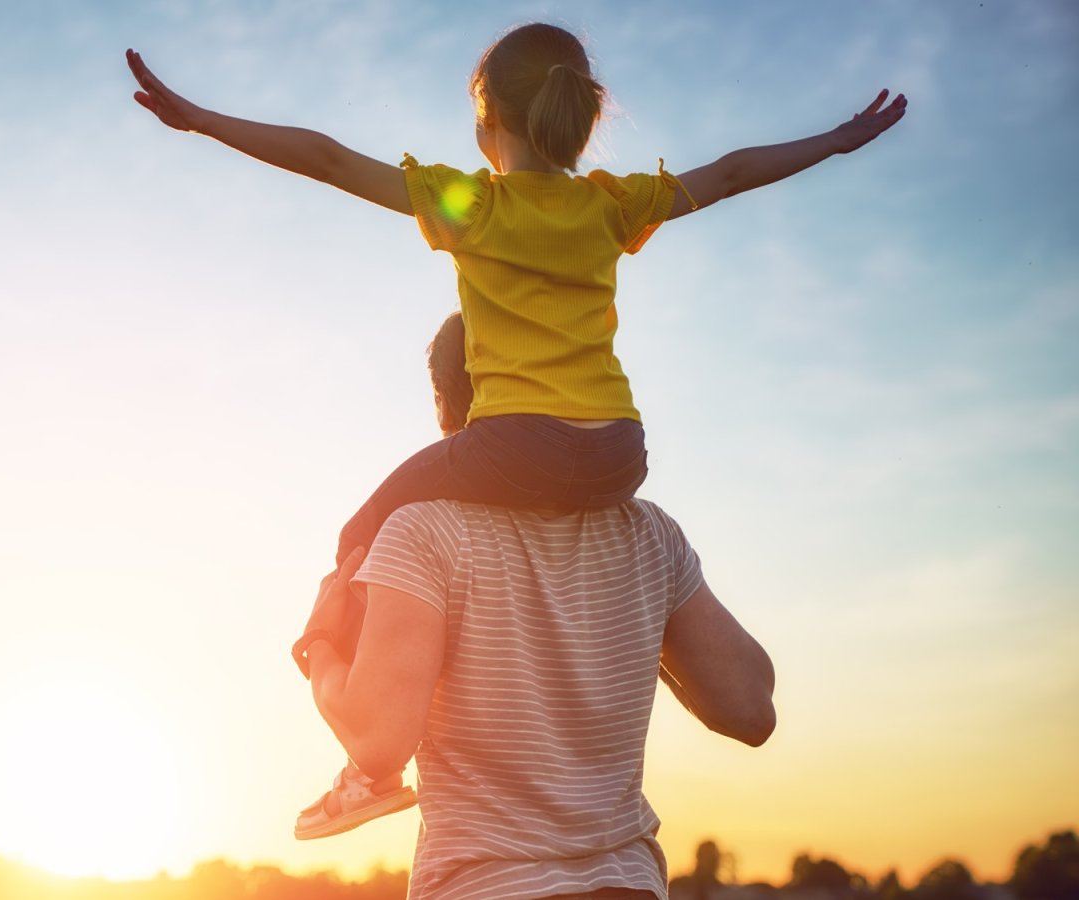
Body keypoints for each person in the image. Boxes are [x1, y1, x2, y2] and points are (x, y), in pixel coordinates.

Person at [126, 22, 901, 835]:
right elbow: (736, 171)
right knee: (454, 510)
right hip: (616, 453)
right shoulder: (613, 204)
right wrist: (839, 141)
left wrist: (206, 120)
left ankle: (367, 769)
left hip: (514, 446)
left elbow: (326, 158)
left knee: (364, 528)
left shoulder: (475, 203)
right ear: (578, 114)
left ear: (487, 120)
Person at [296, 310, 777, 899]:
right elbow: (751, 707)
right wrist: (640, 620)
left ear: (447, 407)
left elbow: (378, 742)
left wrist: (318, 642)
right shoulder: (649, 533)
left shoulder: (423, 532)